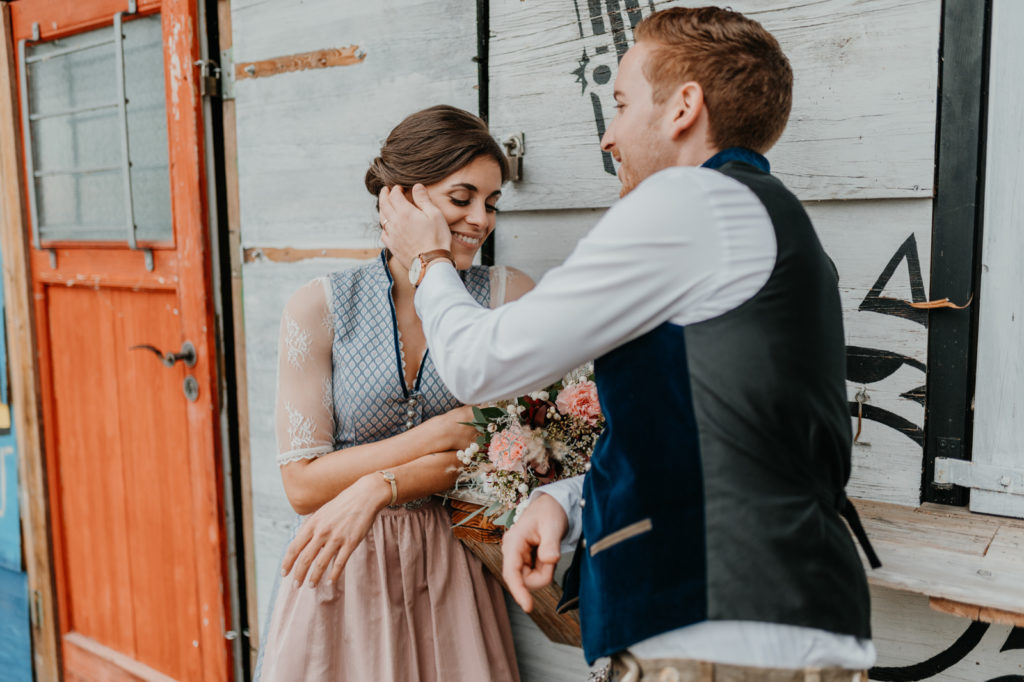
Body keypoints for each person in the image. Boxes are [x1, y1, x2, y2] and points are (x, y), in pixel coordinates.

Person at [376, 7, 880, 681]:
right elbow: (719, 439)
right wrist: (564, 501)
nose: (608, 136)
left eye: (618, 102)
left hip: (714, 632)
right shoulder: (768, 223)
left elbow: (478, 362)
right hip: (770, 622)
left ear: (683, 109)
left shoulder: (691, 203)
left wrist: (428, 258)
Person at [254, 105, 530, 682]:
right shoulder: (319, 308)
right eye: (462, 198)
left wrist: (378, 486)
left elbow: (511, 454)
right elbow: (302, 485)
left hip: (456, 559)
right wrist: (435, 436)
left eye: (492, 202)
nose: (482, 219)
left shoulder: (509, 297)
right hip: (339, 563)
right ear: (403, 199)